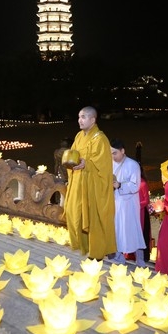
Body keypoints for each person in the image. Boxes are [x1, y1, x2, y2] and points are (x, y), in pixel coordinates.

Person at [64, 106, 117, 260]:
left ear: (93, 120)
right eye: (79, 117)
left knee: (95, 218)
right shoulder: (79, 136)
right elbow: (73, 155)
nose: (79, 120)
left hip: (94, 186)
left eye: (83, 117)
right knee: (74, 213)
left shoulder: (100, 139)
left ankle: (98, 253)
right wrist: (70, 162)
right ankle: (85, 246)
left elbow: (103, 165)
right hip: (79, 183)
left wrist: (87, 163)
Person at [109, 138, 146, 266]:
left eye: (114, 153)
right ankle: (119, 257)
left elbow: (135, 185)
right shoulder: (110, 164)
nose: (112, 156)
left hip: (128, 203)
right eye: (111, 153)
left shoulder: (133, 165)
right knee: (116, 228)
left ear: (122, 151)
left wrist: (119, 185)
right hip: (115, 201)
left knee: (132, 229)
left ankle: (140, 259)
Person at [138, 163, 152, 263]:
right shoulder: (130, 182)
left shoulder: (143, 183)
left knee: (143, 234)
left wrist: (136, 205)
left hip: (141, 212)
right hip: (133, 213)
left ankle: (144, 255)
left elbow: (146, 201)